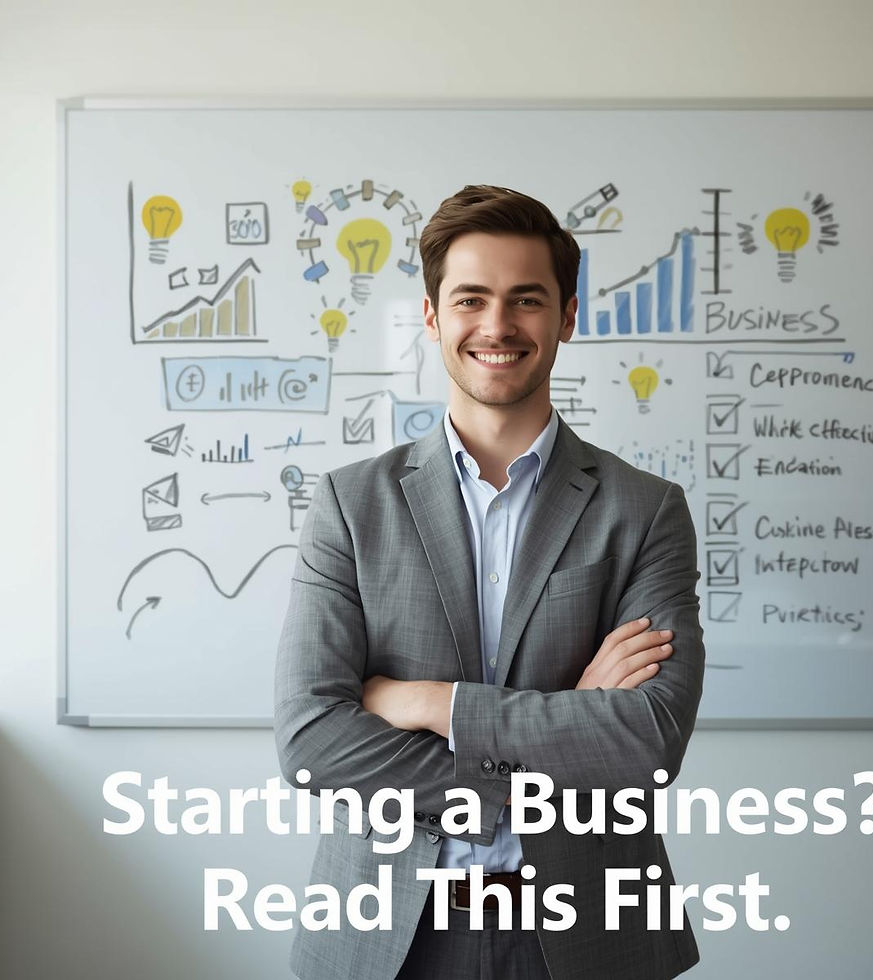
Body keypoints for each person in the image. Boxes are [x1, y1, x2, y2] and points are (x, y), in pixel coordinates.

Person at [275, 185, 704, 979]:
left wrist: (429, 703)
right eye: (471, 299)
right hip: (385, 935)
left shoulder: (645, 512)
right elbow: (311, 743)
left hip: (592, 940)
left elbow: (647, 742)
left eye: (526, 300)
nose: (498, 326)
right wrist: (566, 732)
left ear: (567, 317)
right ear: (434, 317)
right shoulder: (348, 504)